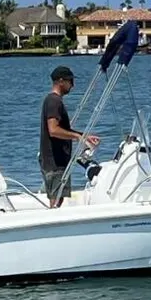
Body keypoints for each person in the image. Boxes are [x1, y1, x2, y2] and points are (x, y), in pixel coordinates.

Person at [39, 65, 100, 207]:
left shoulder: (54, 101)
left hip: (57, 160)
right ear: (61, 81)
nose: (72, 85)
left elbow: (62, 129)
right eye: (70, 81)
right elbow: (53, 130)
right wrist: (78, 137)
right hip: (55, 160)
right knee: (56, 198)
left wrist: (84, 136)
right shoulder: (54, 101)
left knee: (58, 197)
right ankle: (52, 225)